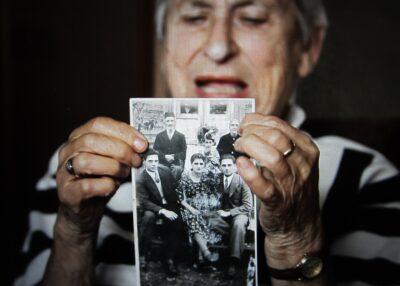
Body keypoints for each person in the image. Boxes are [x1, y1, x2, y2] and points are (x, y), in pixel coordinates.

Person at [16, 0, 400, 285]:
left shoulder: (367, 178)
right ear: (164, 45)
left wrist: (295, 239)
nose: (218, 48)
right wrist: (74, 236)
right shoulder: (77, 168)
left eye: (253, 18)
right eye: (195, 17)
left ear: (308, 47)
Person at [136, 149, 182, 279]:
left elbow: (173, 189)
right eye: (150, 161)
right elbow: (144, 201)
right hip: (152, 207)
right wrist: (162, 210)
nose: (154, 164)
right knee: (148, 217)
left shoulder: (164, 171)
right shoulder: (141, 179)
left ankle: (169, 258)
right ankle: (143, 254)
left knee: (176, 219)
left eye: (156, 161)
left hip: (167, 204)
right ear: (144, 162)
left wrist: (175, 206)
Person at [176, 153, 221, 264]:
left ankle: (201, 258)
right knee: (194, 218)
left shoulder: (206, 177)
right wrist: (191, 209)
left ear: (204, 164)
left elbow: (215, 192)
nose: (199, 166)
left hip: (205, 207)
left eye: (201, 163)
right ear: (192, 164)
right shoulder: (185, 177)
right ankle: (206, 253)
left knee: (205, 219)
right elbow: (180, 198)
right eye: (196, 163)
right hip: (189, 208)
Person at [213, 154, 253, 278]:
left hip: (239, 213)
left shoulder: (242, 180)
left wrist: (229, 212)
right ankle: (235, 236)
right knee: (208, 219)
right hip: (222, 214)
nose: (226, 168)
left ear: (235, 167)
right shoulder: (216, 180)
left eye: (229, 165)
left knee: (238, 224)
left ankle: (233, 261)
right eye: (223, 165)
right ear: (220, 167)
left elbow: (248, 206)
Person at [153, 112, 187, 180]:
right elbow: (155, 152)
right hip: (162, 163)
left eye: (172, 121)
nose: (170, 123)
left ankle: (173, 190)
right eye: (168, 121)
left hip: (176, 164)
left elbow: (184, 153)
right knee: (161, 170)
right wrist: (165, 156)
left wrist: (173, 156)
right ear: (164, 122)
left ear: (175, 122)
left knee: (176, 170)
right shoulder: (159, 136)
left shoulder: (181, 136)